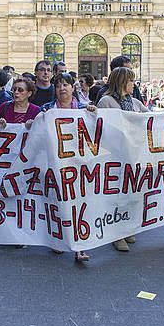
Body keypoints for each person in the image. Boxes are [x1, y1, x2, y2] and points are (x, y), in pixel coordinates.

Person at [41, 72, 96, 262]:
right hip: (55, 164)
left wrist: (92, 114)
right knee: (57, 203)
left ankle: (79, 246)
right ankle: (58, 240)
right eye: (58, 85)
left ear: (73, 88)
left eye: (66, 85)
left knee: (79, 205)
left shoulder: (84, 109)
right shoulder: (47, 109)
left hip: (78, 164)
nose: (62, 88)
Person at [97, 67, 147, 252]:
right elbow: (102, 129)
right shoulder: (106, 102)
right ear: (121, 82)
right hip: (115, 156)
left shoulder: (134, 102)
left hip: (134, 155)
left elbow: (151, 119)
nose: (134, 84)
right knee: (117, 195)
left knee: (131, 193)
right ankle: (116, 234)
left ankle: (126, 229)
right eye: (131, 80)